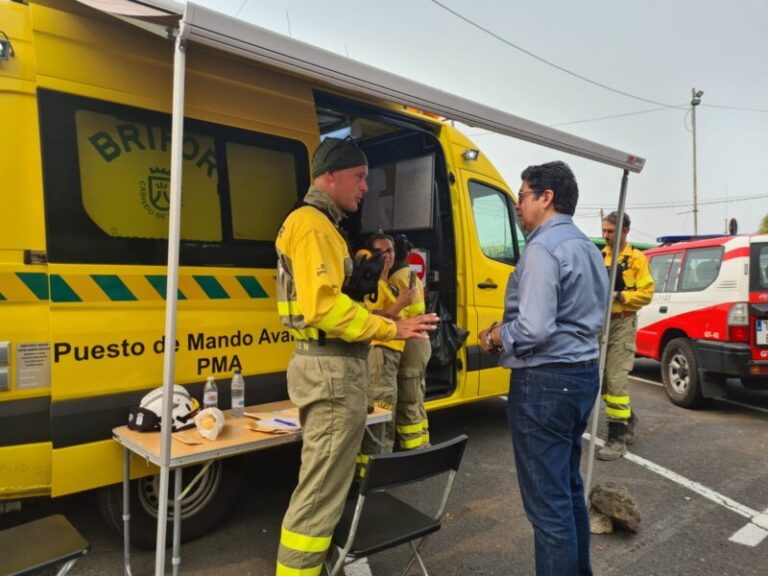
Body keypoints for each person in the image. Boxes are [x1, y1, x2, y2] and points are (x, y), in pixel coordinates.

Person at [274, 137, 438, 576]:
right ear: (330, 177)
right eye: (360, 177)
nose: (366, 187)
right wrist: (390, 327)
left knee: (325, 486)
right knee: (320, 493)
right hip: (329, 369)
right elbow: (323, 306)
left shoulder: (321, 224)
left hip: (331, 364)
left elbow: (331, 304)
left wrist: (382, 313)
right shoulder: (312, 224)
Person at [479, 161, 608, 576]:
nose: (517, 206)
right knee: (568, 492)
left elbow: (533, 327)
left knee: (548, 509)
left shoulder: (542, 248)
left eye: (521, 195)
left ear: (545, 197)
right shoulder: (588, 247)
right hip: (582, 374)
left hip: (545, 381)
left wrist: (497, 336)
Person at [596, 211, 655, 461]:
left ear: (624, 231)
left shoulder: (636, 259)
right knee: (603, 380)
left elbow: (647, 293)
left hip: (623, 322)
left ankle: (617, 439)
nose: (606, 236)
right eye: (604, 231)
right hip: (602, 325)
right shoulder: (602, 257)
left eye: (611, 231)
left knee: (617, 382)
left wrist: (620, 296)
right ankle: (627, 418)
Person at [359, 232, 413, 456]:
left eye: (389, 251)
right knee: (382, 412)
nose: (387, 256)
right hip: (380, 352)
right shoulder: (369, 284)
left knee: (385, 410)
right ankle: (375, 469)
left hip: (391, 353)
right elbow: (368, 317)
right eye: (380, 252)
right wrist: (397, 307)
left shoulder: (388, 284)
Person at [390, 235, 431, 450]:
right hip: (421, 342)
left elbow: (395, 316)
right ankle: (424, 442)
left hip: (410, 342)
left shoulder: (396, 279)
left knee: (408, 399)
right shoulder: (413, 275)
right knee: (417, 396)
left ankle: (415, 449)